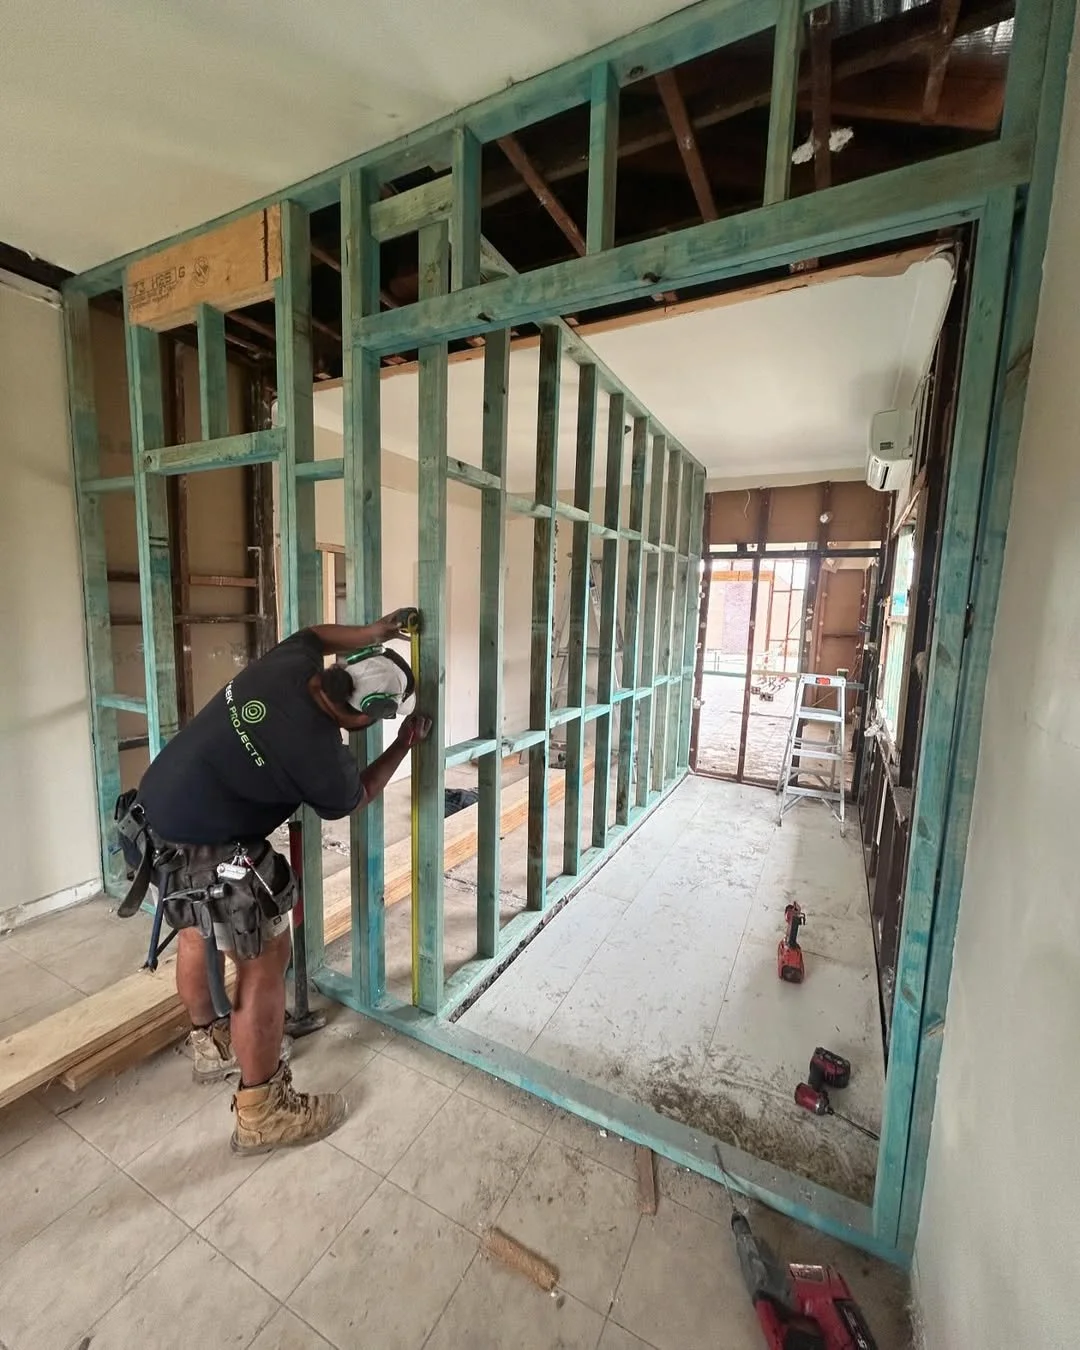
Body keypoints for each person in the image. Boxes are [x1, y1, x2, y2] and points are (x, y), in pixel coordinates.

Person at [129, 610, 431, 1155]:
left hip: (154, 817)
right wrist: (404, 744)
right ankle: (262, 1112)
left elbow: (316, 633)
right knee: (265, 959)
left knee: (195, 928)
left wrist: (377, 630)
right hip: (208, 843)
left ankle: (211, 1042)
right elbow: (356, 796)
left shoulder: (291, 665)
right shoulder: (320, 756)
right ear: (369, 715)